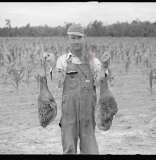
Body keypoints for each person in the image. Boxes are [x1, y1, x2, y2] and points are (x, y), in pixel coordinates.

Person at [42, 24, 110, 154]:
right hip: (69, 110)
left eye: (79, 38)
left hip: (88, 110)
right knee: (69, 147)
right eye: (73, 38)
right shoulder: (62, 60)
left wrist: (105, 67)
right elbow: (59, 82)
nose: (76, 41)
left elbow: (98, 82)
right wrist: (52, 64)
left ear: (84, 38)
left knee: (89, 147)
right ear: (68, 39)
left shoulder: (93, 61)